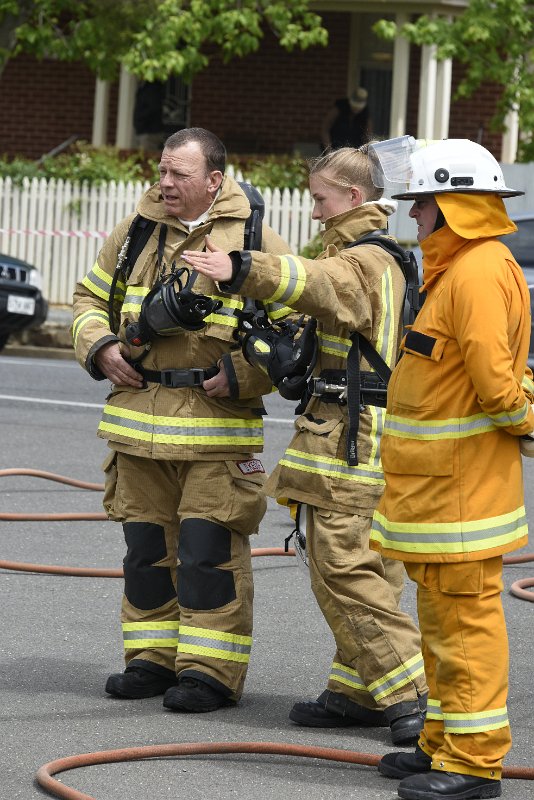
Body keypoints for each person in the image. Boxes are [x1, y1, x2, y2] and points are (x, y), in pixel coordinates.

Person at [181, 145, 429, 746]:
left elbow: (316, 284)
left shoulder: (364, 261)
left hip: (350, 441)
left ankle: (412, 695)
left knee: (342, 566)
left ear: (352, 197)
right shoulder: (388, 259)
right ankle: (359, 690)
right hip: (369, 438)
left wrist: (240, 269)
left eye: (320, 199)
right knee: (370, 565)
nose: (315, 213)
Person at [72, 127, 291, 713]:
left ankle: (210, 673)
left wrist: (245, 373)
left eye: (180, 174)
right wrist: (101, 349)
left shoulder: (253, 238)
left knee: (207, 556)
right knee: (145, 553)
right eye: (162, 171)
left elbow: (293, 332)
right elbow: (89, 300)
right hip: (138, 429)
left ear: (214, 181)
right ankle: (150, 659)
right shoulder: (134, 233)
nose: (165, 183)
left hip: (216, 435)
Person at [367, 137, 534, 799]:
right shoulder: (463, 268)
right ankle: (443, 744)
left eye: (422, 205)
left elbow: (497, 388)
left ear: (452, 205)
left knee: (465, 631)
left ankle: (473, 766)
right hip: (440, 496)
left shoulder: (474, 273)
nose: (413, 218)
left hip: (459, 496)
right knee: (441, 628)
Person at [320, 87, 371, 151]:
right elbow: (325, 129)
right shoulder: (339, 107)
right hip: (335, 148)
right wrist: (328, 150)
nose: (356, 109)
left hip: (354, 151)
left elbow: (367, 135)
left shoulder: (365, 113)